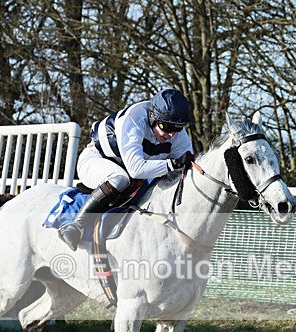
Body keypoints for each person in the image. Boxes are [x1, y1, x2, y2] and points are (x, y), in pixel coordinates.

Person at [58, 88, 196, 251]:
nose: (171, 134)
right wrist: (172, 164)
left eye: (177, 128)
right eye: (165, 127)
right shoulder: (134, 118)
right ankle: (75, 226)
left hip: (130, 171)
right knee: (120, 179)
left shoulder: (173, 129)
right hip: (96, 160)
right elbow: (136, 169)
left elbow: (186, 166)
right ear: (153, 116)